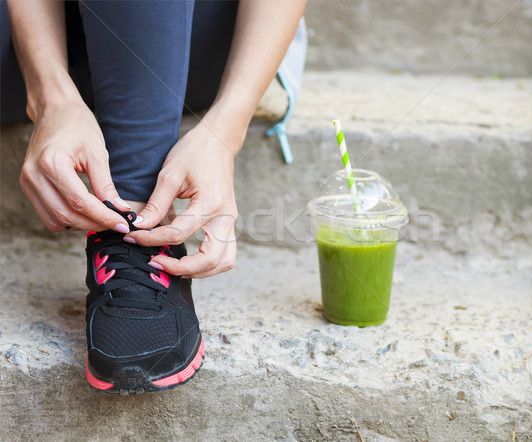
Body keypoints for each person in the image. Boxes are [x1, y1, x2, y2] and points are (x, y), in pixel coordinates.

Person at [2, 0, 306, 393]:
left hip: (173, 35)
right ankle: (130, 231)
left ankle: (134, 212)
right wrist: (49, 97)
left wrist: (226, 131)